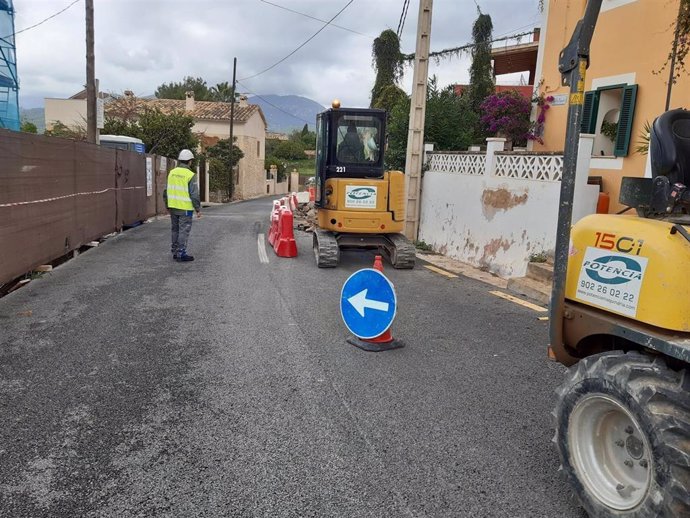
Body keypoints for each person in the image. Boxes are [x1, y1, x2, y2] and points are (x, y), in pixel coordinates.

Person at [164, 149, 201, 262]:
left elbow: (166, 191)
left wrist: (167, 206)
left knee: (175, 230)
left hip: (173, 207)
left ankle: (175, 252)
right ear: (190, 161)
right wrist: (198, 209)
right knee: (184, 230)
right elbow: (194, 194)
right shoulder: (190, 175)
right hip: (185, 208)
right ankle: (181, 253)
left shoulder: (172, 173)